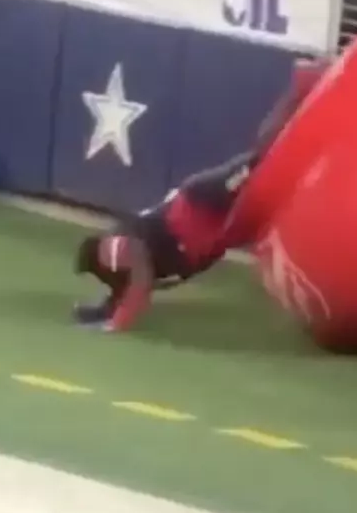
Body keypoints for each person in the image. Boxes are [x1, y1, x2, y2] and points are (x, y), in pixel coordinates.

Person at [73, 57, 330, 332]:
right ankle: (319, 140)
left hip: (199, 207)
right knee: (271, 184)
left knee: (261, 159)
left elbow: (139, 276)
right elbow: (127, 287)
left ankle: (300, 85)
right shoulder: (116, 262)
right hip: (208, 230)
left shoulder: (112, 250)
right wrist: (100, 313)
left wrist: (116, 324)